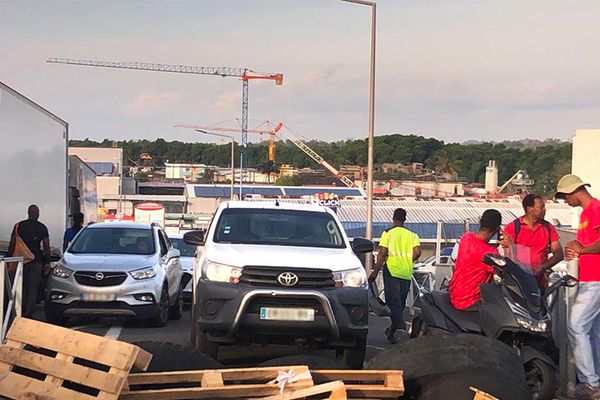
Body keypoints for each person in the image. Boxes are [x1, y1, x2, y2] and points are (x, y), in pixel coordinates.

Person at [555, 174, 600, 399]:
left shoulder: (595, 209)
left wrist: (582, 250)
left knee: (576, 325)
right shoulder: (586, 214)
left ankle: (590, 383)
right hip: (589, 279)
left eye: (565, 197)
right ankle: (595, 381)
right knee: (592, 332)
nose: (566, 201)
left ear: (574, 191)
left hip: (595, 281)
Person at [368, 208, 421, 343]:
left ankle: (401, 329)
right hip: (406, 272)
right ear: (405, 219)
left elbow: (381, 253)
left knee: (393, 302)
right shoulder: (412, 235)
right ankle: (393, 330)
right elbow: (417, 252)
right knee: (400, 303)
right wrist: (408, 260)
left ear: (393, 218)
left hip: (391, 271)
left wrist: (375, 272)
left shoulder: (388, 233)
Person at [503, 194, 563, 288]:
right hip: (519, 281)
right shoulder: (513, 228)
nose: (545, 210)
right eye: (541, 207)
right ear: (529, 208)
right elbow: (509, 257)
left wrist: (543, 267)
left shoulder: (548, 227)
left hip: (540, 282)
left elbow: (559, 254)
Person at [449, 209, 503, 311]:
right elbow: (505, 269)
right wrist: (508, 246)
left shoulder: (467, 237)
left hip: (455, 296)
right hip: (471, 302)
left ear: (480, 222)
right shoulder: (490, 253)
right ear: (497, 228)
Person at [7, 205, 50, 318]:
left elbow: (12, 244)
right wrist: (47, 262)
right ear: (38, 214)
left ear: (28, 213)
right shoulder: (42, 228)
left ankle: (17, 311)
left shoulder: (18, 226)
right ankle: (29, 313)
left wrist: (9, 259)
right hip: (36, 262)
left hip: (20, 261)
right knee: (33, 288)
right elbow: (46, 247)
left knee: (19, 286)